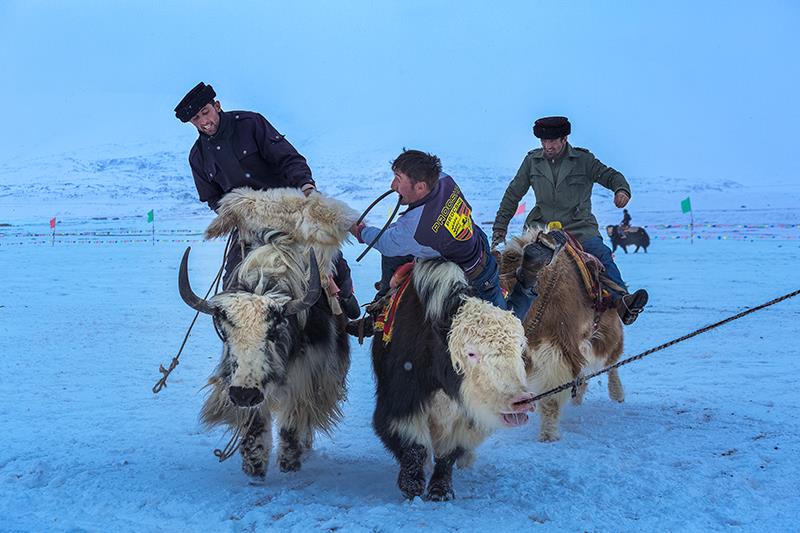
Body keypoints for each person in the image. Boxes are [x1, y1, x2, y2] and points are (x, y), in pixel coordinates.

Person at [174, 82, 359, 319]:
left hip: (286, 209)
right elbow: (211, 197)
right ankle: (238, 327)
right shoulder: (197, 156)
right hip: (247, 221)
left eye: (205, 112)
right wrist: (232, 216)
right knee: (232, 275)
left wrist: (307, 187)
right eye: (196, 119)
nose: (203, 121)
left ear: (217, 106)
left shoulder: (250, 124)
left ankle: (344, 296)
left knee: (324, 253)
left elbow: (288, 159)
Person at [347, 149, 536, 337]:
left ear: (420, 187)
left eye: (398, 178)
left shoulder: (415, 227)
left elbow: (386, 243)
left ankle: (527, 284)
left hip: (477, 273)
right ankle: (383, 304)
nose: (393, 185)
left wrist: (361, 231)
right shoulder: (444, 179)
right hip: (474, 237)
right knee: (394, 253)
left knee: (503, 326)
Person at [492, 116, 648, 325]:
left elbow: (611, 176)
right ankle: (499, 313)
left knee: (601, 256)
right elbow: (513, 194)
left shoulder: (584, 160)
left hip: (579, 229)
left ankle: (623, 303)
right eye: (544, 141)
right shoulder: (532, 161)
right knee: (512, 263)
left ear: (564, 138)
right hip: (541, 230)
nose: (548, 146)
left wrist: (621, 190)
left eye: (553, 141)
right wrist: (500, 229)